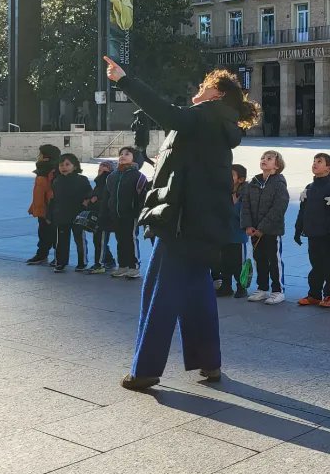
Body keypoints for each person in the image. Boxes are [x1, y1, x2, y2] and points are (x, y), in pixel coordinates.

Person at [105, 56, 259, 390]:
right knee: (198, 291)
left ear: (215, 92)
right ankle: (209, 362)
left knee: (159, 291)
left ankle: (145, 370)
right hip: (204, 218)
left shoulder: (205, 115)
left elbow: (166, 112)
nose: (198, 88)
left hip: (182, 218)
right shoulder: (220, 119)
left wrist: (124, 80)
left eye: (204, 85)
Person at [294, 153, 330, 307]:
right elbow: (302, 210)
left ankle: (329, 294)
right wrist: (298, 229)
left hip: (327, 236)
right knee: (315, 265)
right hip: (312, 234)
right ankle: (314, 294)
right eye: (314, 161)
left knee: (329, 265)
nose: (315, 164)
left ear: (328, 168)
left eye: (319, 162)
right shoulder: (309, 188)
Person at [242, 151, 291, 305]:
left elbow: (279, 207)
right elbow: (246, 206)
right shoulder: (253, 183)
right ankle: (262, 288)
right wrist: (248, 225)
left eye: (269, 159)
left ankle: (278, 290)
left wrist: (262, 227)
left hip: (271, 231)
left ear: (277, 165)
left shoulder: (279, 184)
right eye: (263, 158)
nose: (264, 160)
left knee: (273, 260)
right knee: (259, 260)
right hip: (255, 231)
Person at [105, 147, 149, 279]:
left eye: (127, 154)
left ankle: (134, 267)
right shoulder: (112, 176)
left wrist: (139, 213)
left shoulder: (139, 176)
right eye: (121, 154)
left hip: (131, 214)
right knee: (120, 240)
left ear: (134, 158)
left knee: (131, 239)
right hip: (117, 214)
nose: (123, 156)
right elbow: (109, 195)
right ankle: (123, 266)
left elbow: (143, 196)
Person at [49, 153, 93, 274]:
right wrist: (50, 214)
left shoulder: (81, 179)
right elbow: (53, 199)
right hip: (61, 216)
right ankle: (60, 262)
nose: (64, 167)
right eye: (61, 165)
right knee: (61, 241)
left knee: (80, 239)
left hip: (78, 216)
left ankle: (82, 262)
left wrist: (86, 202)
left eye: (67, 164)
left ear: (75, 166)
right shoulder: (56, 181)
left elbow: (89, 194)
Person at [217, 165, 249, 298]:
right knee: (224, 263)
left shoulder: (244, 195)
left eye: (232, 175)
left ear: (240, 179)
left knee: (239, 264)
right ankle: (226, 286)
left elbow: (244, 214)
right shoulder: (223, 193)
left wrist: (235, 205)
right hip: (224, 235)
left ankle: (241, 287)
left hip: (238, 237)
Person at [25, 144, 60, 265]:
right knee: (43, 233)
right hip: (41, 207)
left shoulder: (53, 170)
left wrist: (49, 210)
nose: (38, 156)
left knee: (54, 233)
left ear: (46, 157)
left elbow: (52, 192)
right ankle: (42, 255)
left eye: (40, 154)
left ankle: (59, 257)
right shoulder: (42, 168)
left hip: (49, 209)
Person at [85, 160, 115, 274]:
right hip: (98, 216)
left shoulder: (108, 184)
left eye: (105, 171)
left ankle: (99, 264)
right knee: (98, 241)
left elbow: (106, 201)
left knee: (100, 242)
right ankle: (109, 261)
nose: (101, 173)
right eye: (99, 170)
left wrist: (95, 199)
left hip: (104, 218)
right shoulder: (99, 184)